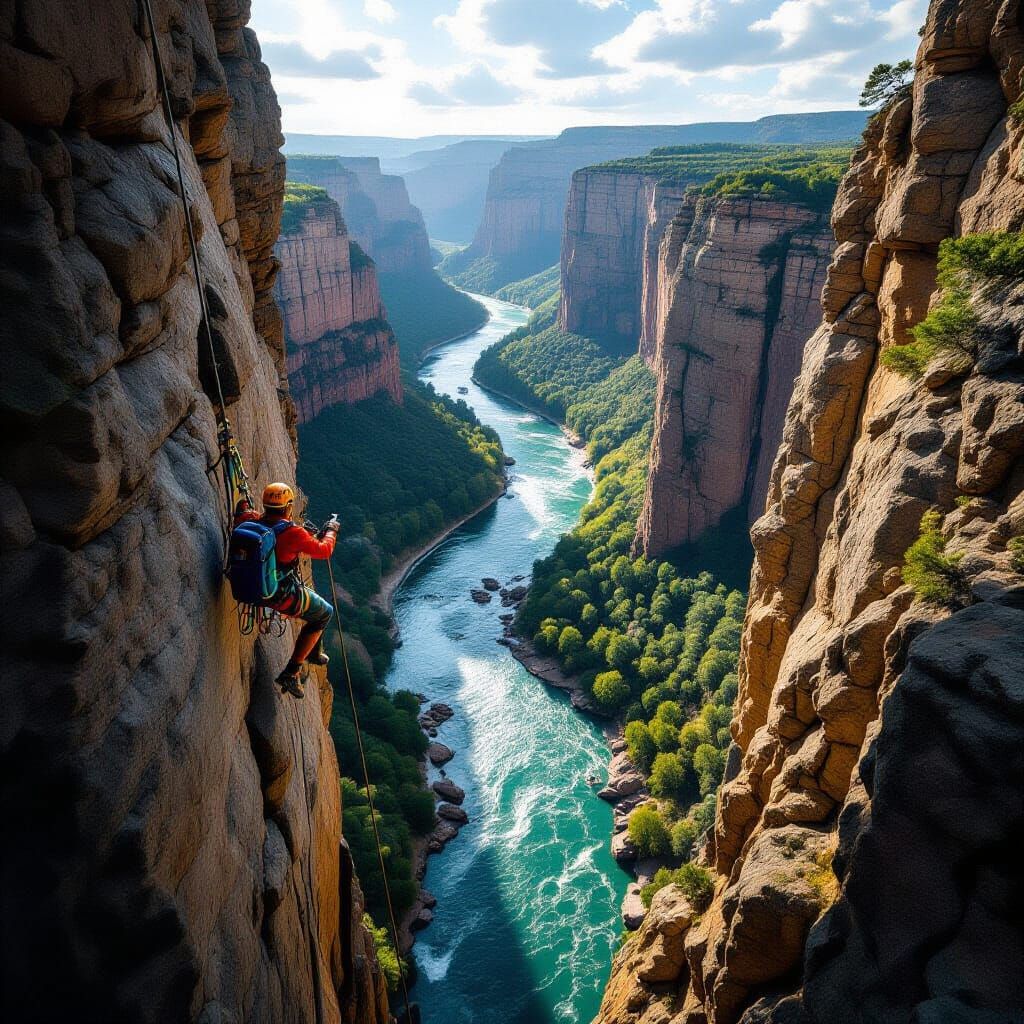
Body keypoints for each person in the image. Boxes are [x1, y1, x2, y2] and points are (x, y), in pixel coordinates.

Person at [234, 482, 339, 698]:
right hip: (279, 595)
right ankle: (292, 672)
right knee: (324, 613)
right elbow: (324, 550)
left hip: (249, 584)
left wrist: (243, 506)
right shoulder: (294, 533)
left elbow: (242, 512)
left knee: (317, 611)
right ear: (288, 506)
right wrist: (331, 530)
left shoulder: (250, 520)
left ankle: (314, 652)